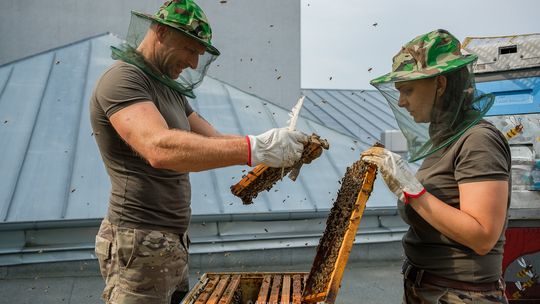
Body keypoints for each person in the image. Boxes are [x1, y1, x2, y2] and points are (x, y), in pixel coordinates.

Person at [89, 1, 307, 303]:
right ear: (161, 32)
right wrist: (255, 148)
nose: (193, 63)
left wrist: (281, 149)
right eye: (190, 49)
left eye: (198, 54)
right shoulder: (123, 80)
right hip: (137, 241)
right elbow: (158, 147)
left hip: (171, 240)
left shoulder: (170, 89)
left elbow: (214, 140)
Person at [361, 29, 511, 303]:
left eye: (408, 90)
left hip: (462, 295)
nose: (402, 102)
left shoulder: (478, 140)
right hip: (431, 290)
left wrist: (413, 193)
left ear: (440, 84)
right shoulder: (446, 139)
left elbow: (482, 236)